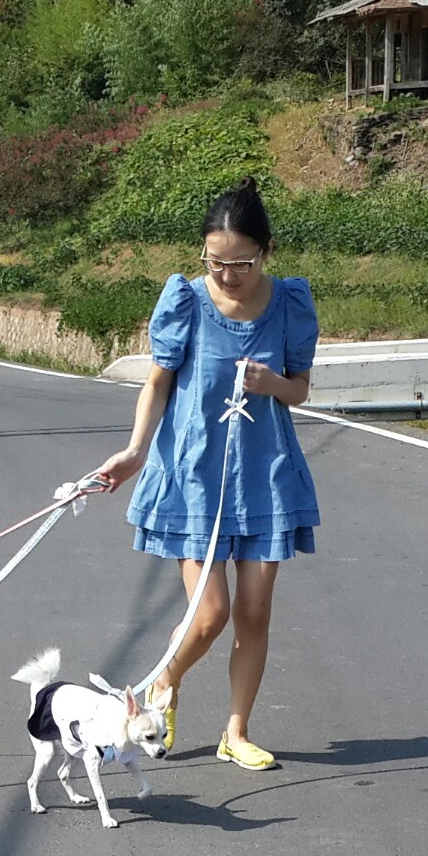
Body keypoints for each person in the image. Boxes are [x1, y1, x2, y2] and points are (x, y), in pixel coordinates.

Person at [87, 178, 318, 772]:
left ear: (266, 251)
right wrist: (136, 451)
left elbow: (300, 388)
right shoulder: (185, 301)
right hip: (193, 473)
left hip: (263, 473)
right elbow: (158, 382)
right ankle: (168, 677)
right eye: (215, 262)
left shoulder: (290, 304)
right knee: (209, 612)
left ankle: (236, 731)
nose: (227, 275)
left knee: (255, 613)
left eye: (239, 263)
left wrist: (273, 385)